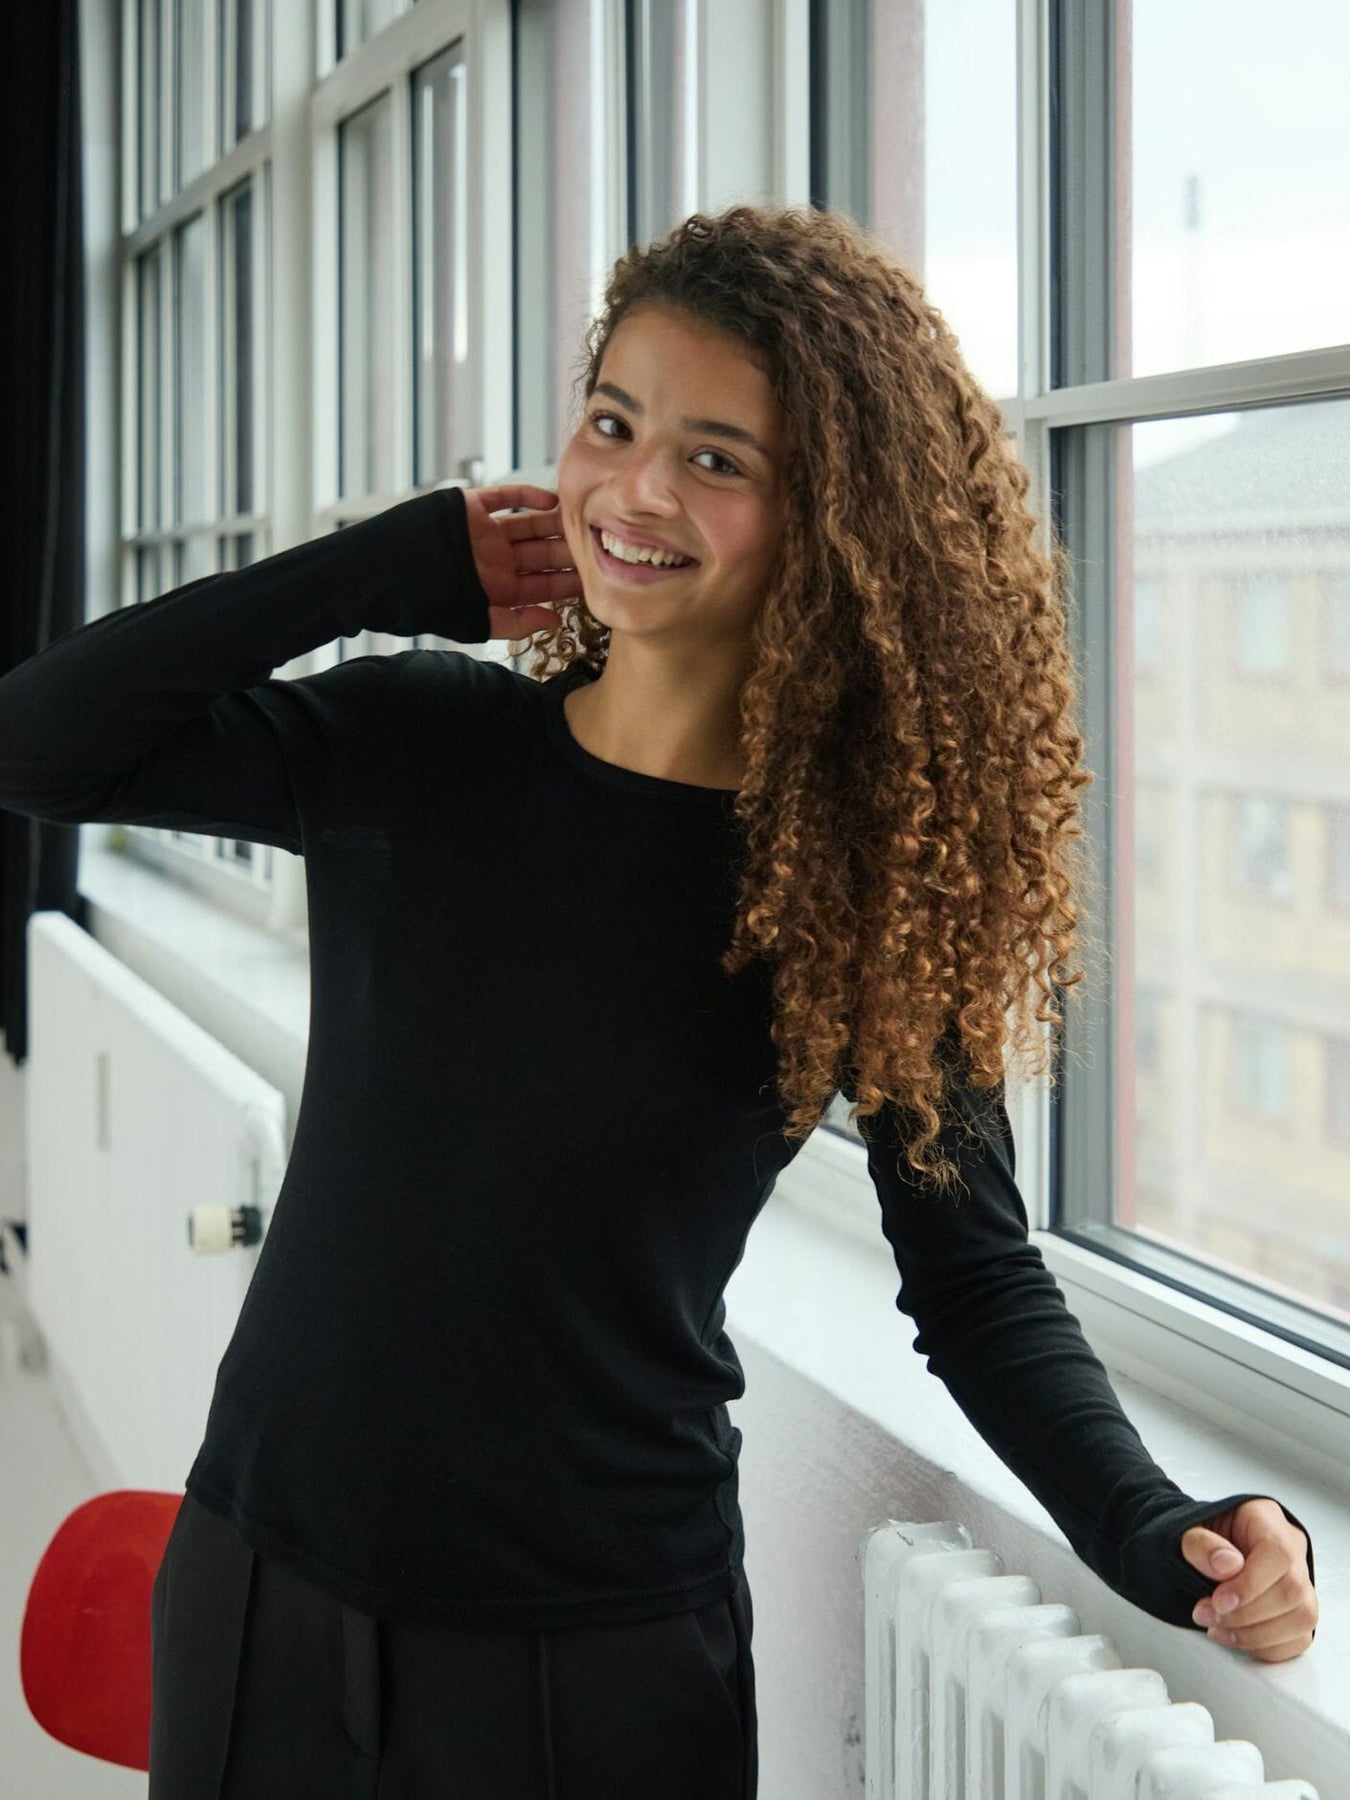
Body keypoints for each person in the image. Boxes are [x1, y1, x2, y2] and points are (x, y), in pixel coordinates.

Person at [0, 202, 1317, 1797]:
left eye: (715, 458)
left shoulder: (855, 893)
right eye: (612, 423)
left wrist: (1161, 1529)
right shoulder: (415, 744)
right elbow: (43, 743)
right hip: (256, 1585)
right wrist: (386, 566)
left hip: (590, 1662)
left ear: (832, 519)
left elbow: (974, 1280)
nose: (632, 490)